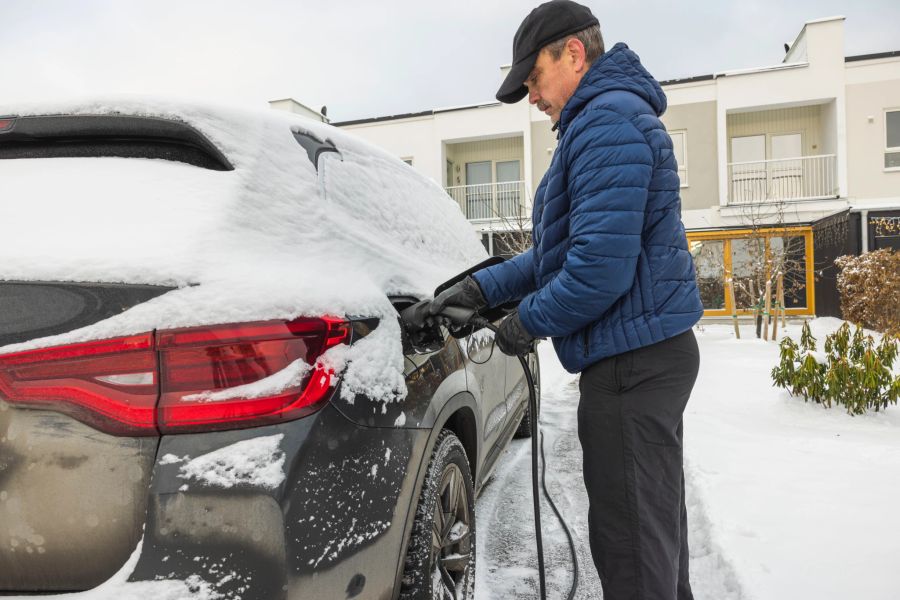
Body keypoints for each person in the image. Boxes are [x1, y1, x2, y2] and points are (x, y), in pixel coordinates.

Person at [429, 1, 705, 598]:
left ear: (573, 54)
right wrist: (480, 290)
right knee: (649, 538)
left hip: (634, 367)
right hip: (640, 356)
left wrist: (522, 325)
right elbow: (556, 257)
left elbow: (597, 272)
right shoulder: (600, 122)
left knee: (632, 549)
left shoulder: (607, 123)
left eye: (534, 78)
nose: (532, 95)